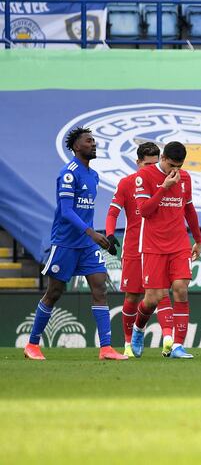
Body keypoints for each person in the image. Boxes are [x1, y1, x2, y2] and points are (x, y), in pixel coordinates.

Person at [23, 127, 127, 361]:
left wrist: (98, 237)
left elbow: (85, 211)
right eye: (89, 141)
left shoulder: (94, 175)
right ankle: (32, 345)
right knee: (55, 292)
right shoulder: (68, 173)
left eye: (94, 141)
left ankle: (106, 348)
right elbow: (67, 212)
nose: (94, 144)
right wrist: (93, 233)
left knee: (100, 288)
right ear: (76, 146)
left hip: (87, 245)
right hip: (66, 243)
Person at [130, 141, 201, 359]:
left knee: (181, 288)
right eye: (171, 165)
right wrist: (164, 188)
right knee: (153, 298)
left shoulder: (185, 178)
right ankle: (138, 327)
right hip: (153, 244)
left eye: (179, 167)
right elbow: (144, 211)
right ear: (162, 158)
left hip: (179, 243)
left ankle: (177, 346)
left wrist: (198, 239)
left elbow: (189, 208)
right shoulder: (144, 176)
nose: (175, 171)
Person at [105, 142, 177, 358]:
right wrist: (109, 234)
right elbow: (112, 212)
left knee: (162, 292)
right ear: (137, 163)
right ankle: (128, 343)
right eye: (147, 164)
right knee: (133, 296)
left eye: (155, 164)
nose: (151, 168)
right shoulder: (127, 183)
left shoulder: (167, 181)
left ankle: (168, 340)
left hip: (157, 246)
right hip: (135, 248)